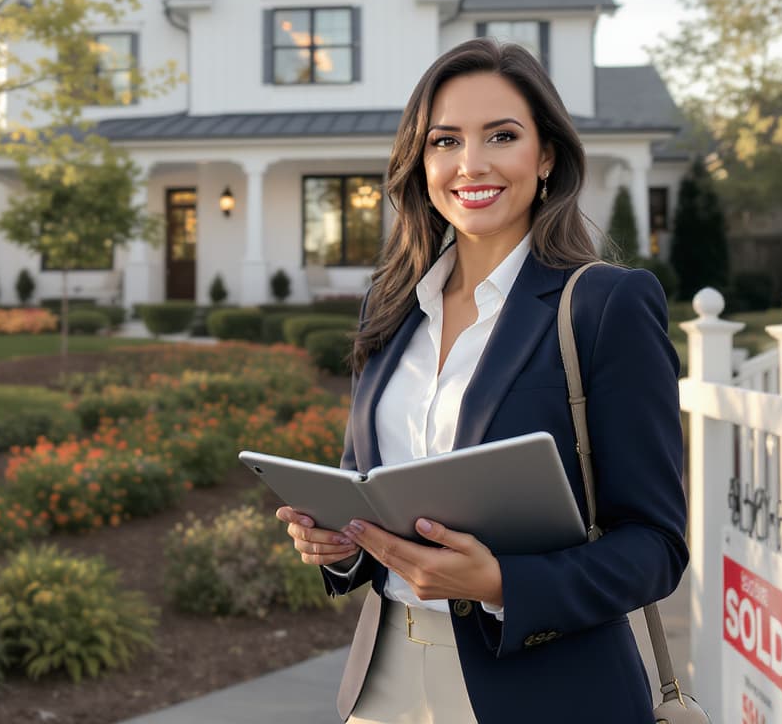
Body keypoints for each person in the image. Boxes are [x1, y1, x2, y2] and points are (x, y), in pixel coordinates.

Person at [276, 38, 688, 723]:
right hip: (383, 685)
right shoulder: (389, 304)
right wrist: (342, 545)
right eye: (445, 140)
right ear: (421, 159)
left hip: (547, 689)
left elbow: (656, 546)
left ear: (546, 154)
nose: (471, 164)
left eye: (502, 135)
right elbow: (366, 483)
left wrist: (502, 583)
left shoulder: (605, 305)